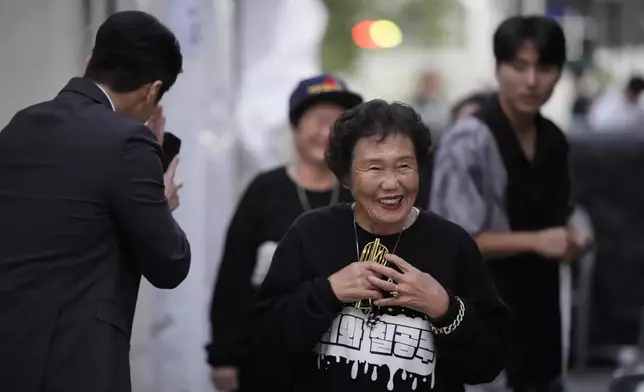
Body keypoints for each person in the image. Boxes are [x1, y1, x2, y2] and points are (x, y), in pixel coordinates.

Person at [250, 100, 510, 392]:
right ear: (346, 177)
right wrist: (328, 292)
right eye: (374, 167)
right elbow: (265, 343)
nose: (391, 183)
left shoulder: (452, 244)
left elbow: (491, 362)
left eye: (404, 166)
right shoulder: (310, 234)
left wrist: (444, 307)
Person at [0, 11, 190, 392]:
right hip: (76, 362)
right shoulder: (128, 143)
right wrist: (161, 201)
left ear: (90, 62)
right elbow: (170, 264)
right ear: (151, 91)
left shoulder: (20, 124)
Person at [430, 16, 592, 392]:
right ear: (498, 68)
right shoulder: (468, 139)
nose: (532, 81)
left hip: (543, 320)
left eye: (545, 68)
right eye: (518, 67)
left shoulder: (554, 139)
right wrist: (537, 241)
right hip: (484, 320)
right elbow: (456, 241)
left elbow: (559, 214)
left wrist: (575, 236)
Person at [207, 74, 361, 391]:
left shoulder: (359, 194)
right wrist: (223, 355)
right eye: (318, 120)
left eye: (337, 123)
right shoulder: (265, 191)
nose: (326, 133)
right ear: (295, 127)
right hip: (267, 361)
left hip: (344, 361)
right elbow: (233, 275)